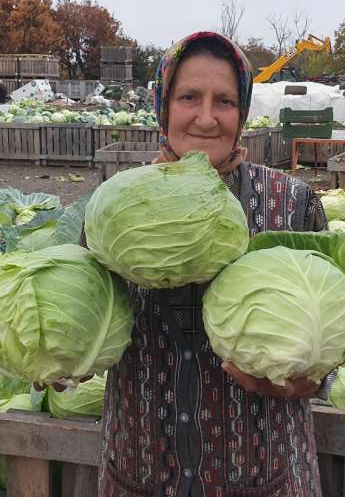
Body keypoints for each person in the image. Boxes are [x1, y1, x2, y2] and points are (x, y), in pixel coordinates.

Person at [97, 31, 328, 496]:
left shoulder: (292, 201)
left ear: (242, 113)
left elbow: (329, 319)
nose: (206, 118)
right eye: (188, 97)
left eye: (224, 101)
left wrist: (310, 379)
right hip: (140, 472)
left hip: (264, 474)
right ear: (163, 108)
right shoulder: (114, 207)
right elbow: (91, 303)